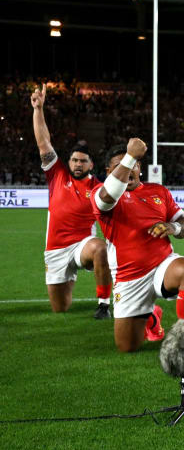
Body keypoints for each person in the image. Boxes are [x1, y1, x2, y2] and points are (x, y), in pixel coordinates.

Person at [92, 139, 184, 352]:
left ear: (140, 168)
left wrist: (173, 227)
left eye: (133, 164)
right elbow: (107, 196)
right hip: (129, 277)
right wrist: (131, 155)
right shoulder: (102, 194)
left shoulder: (158, 192)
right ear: (109, 172)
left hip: (163, 265)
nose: (128, 169)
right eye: (120, 166)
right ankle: (151, 318)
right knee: (127, 347)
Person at [30, 84, 113, 317]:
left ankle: (104, 304)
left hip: (81, 246)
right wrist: (38, 109)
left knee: (99, 248)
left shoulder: (98, 188)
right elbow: (43, 143)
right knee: (61, 309)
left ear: (91, 165)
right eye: (74, 160)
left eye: (83, 161)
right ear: (69, 162)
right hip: (55, 251)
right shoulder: (57, 175)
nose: (78, 164)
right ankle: (72, 282)